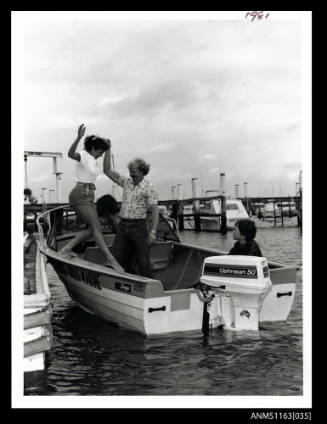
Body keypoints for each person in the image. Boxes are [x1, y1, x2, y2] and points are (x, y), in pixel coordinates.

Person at [59, 124, 124, 272]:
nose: (101, 155)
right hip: (80, 194)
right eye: (100, 152)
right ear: (93, 148)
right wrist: (78, 137)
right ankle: (111, 260)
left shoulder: (94, 160)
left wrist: (108, 147)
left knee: (95, 229)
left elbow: (106, 168)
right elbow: (70, 154)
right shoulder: (84, 155)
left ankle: (66, 249)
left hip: (88, 195)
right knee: (96, 228)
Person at [103, 141, 159, 277]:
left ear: (142, 172)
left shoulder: (148, 187)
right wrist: (108, 149)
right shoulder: (126, 182)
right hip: (123, 226)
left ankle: (150, 286)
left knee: (143, 260)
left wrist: (153, 231)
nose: (131, 175)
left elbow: (155, 209)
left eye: (133, 173)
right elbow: (107, 171)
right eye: (130, 172)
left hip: (138, 227)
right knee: (115, 258)